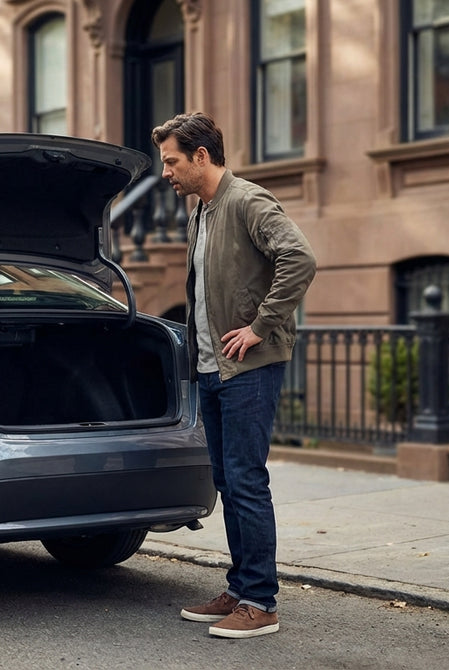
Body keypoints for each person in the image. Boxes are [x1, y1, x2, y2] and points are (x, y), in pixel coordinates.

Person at [151, 112, 316, 639]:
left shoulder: (246, 200)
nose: (167, 173)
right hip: (211, 367)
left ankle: (261, 601)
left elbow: (299, 257)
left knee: (246, 480)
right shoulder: (201, 210)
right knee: (227, 480)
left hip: (248, 366)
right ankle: (242, 586)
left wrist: (260, 326)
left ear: (201, 156)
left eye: (172, 161)